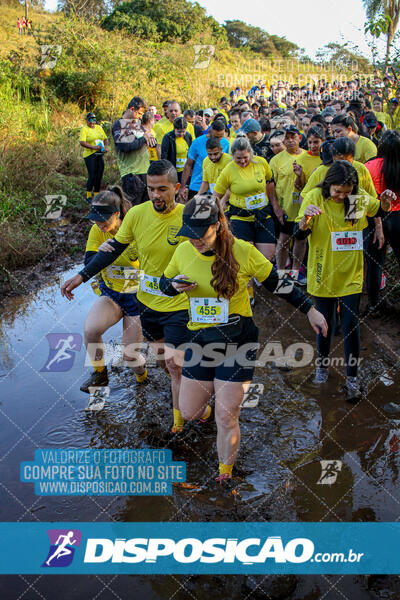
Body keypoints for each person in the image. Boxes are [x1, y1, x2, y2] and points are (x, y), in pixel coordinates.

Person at [159, 195, 327, 481]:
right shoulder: (184, 252)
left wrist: (310, 309)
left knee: (226, 416)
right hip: (200, 341)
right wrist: (173, 286)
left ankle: (225, 474)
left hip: (238, 342)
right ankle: (206, 408)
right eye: (190, 235)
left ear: (218, 225)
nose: (195, 241)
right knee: (189, 411)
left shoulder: (244, 251)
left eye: (201, 235)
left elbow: (277, 284)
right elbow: (164, 283)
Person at [61, 160, 190, 434]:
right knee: (93, 330)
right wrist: (82, 275)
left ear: (176, 189)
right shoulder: (130, 220)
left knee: (157, 361)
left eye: (162, 189)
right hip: (127, 297)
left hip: (157, 300)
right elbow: (101, 255)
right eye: (151, 189)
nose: (156, 195)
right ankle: (104, 373)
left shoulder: (182, 218)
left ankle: (177, 411)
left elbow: (204, 250)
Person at [295, 161, 395, 402]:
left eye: (346, 192)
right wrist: (305, 219)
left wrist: (385, 202)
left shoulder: (356, 199)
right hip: (322, 272)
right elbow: (299, 234)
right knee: (324, 323)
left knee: (350, 323)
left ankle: (352, 378)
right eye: (337, 191)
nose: (341, 196)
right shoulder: (315, 198)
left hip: (350, 272)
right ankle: (322, 367)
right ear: (328, 185)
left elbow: (378, 211)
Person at [69, 186, 147, 392]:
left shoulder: (135, 230)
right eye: (95, 218)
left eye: (103, 218)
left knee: (130, 355)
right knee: (90, 330)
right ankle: (100, 375)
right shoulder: (97, 230)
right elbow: (89, 262)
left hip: (137, 298)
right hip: (112, 294)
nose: (98, 223)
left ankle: (143, 379)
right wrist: (99, 254)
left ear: (117, 213)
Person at [213, 135, 277, 263]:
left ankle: (261, 283)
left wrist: (275, 205)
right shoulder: (228, 170)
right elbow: (215, 196)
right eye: (238, 158)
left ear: (251, 154)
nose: (242, 161)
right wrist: (220, 217)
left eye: (245, 158)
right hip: (240, 218)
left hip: (263, 215)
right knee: (246, 259)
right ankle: (249, 283)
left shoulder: (261, 163)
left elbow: (270, 182)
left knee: (267, 258)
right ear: (232, 156)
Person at [365, 130, 400, 314]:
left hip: (375, 218)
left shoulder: (370, 166)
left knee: (375, 264)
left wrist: (378, 226)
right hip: (398, 217)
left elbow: (366, 198)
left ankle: (373, 304)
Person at [269, 125, 307, 272]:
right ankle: (282, 273)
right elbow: (270, 185)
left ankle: (296, 272)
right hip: (285, 208)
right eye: (287, 138)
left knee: (301, 240)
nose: (290, 140)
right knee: (284, 240)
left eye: (293, 137)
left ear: (300, 138)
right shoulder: (276, 160)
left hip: (303, 208)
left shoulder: (307, 157)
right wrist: (276, 207)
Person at [112, 96, 156, 206]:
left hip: (145, 172)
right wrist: (143, 139)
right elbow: (125, 146)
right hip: (132, 174)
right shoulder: (121, 124)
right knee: (133, 208)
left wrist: (149, 138)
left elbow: (144, 139)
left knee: (146, 207)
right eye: (139, 114)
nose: (140, 117)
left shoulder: (137, 125)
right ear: (132, 109)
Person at [179, 120, 229, 202]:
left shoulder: (226, 143)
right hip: (198, 186)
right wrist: (183, 186)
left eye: (221, 136)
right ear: (209, 131)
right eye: (216, 137)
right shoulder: (197, 142)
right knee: (197, 213)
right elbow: (188, 165)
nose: (219, 139)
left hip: (218, 189)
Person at [79, 112, 108, 203]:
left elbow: (105, 139)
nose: (92, 122)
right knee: (92, 175)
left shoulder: (99, 128)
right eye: (90, 120)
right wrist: (93, 147)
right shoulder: (85, 129)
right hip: (90, 155)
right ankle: (88, 196)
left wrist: (105, 147)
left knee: (99, 175)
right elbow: (82, 142)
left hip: (100, 154)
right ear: (87, 121)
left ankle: (96, 195)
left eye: (94, 120)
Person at [161, 117, 192, 183]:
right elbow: (164, 156)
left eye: (183, 131)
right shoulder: (168, 137)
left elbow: (191, 153)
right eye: (179, 132)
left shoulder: (188, 136)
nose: (181, 134)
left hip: (184, 171)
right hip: (172, 170)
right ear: (174, 128)